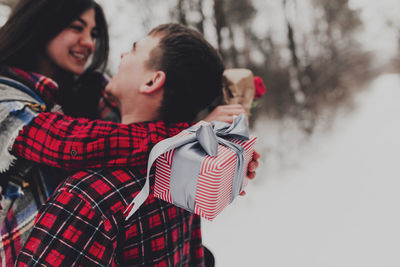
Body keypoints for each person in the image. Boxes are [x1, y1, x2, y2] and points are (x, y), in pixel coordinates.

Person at [0, 0, 253, 265]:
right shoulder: (6, 96)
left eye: (94, 34)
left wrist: (221, 148)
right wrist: (191, 137)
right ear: (41, 23)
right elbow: (69, 142)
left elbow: (153, 106)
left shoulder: (90, 89)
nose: (89, 43)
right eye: (77, 28)